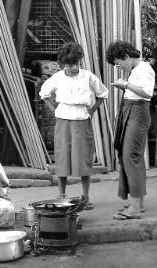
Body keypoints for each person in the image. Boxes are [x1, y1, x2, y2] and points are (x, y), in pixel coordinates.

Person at [39, 42, 108, 207]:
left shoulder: (88, 76)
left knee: (83, 158)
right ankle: (62, 195)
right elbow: (44, 94)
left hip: (82, 118)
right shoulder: (57, 78)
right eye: (70, 64)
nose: (74, 67)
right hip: (63, 119)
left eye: (77, 63)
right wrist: (54, 109)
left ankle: (85, 196)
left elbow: (102, 94)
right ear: (63, 64)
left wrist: (91, 111)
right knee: (63, 157)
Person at [106, 40, 155, 220]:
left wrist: (125, 85)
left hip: (138, 112)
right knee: (133, 157)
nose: (120, 67)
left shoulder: (145, 68)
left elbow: (147, 92)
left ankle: (134, 208)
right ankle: (138, 203)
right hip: (132, 110)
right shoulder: (136, 70)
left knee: (130, 157)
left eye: (119, 63)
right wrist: (124, 86)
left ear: (126, 57)